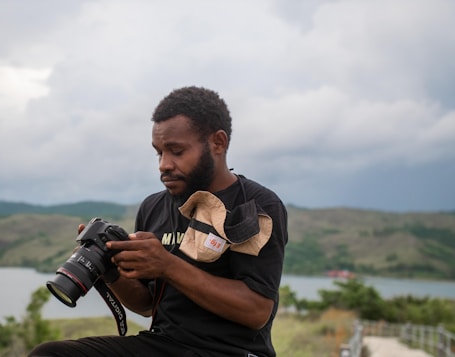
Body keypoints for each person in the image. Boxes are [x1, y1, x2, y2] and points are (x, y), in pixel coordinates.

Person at [29, 86, 288, 357]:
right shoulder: (154, 207)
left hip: (231, 351)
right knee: (50, 354)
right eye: (159, 152)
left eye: (176, 151)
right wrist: (110, 270)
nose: (164, 164)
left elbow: (256, 310)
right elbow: (147, 304)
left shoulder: (255, 206)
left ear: (218, 143)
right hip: (164, 344)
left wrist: (167, 265)